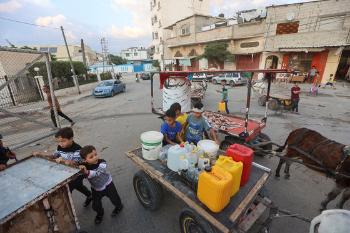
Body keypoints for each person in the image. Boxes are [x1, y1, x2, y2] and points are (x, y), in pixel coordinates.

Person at [32, 127, 92, 207]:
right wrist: (41, 154)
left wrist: (62, 160)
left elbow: (75, 164)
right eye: (59, 142)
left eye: (63, 141)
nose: (61, 144)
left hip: (77, 174)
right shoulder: (60, 147)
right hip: (67, 172)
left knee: (67, 190)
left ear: (71, 139)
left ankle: (67, 208)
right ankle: (89, 195)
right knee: (78, 186)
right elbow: (55, 155)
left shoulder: (77, 149)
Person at [79, 145, 123, 224]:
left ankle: (119, 206)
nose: (95, 157)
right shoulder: (84, 167)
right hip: (96, 188)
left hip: (108, 185)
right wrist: (80, 168)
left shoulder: (102, 162)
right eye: (91, 157)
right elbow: (80, 172)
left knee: (115, 198)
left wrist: (87, 172)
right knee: (96, 205)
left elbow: (97, 173)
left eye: (95, 154)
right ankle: (100, 213)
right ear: (84, 160)